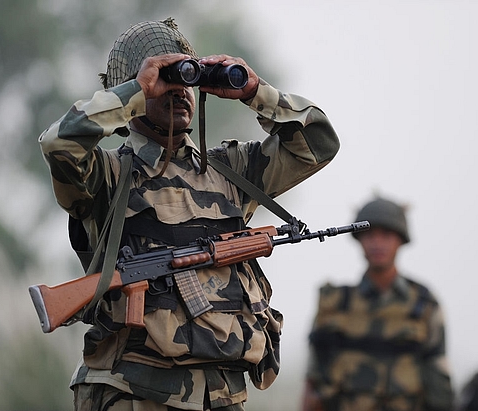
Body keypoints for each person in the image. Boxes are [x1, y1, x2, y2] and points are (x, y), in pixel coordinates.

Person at [38, 18, 340, 411]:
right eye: (166, 79)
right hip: (132, 393)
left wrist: (254, 92)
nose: (180, 90)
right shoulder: (107, 176)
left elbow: (319, 143)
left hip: (222, 394)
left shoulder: (231, 171)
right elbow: (59, 144)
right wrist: (133, 91)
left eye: (187, 79)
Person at [301, 197, 454, 411]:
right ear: (359, 240)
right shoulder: (335, 303)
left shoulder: (424, 304)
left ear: (400, 239)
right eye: (370, 235)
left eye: (386, 235)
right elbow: (312, 380)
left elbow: (439, 378)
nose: (377, 243)